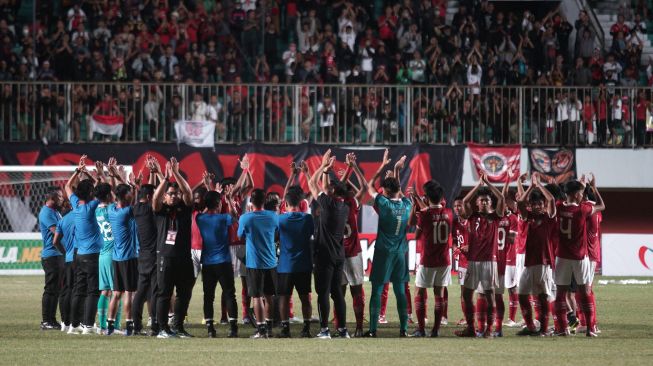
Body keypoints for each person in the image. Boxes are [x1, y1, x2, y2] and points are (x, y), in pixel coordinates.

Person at [364, 150, 412, 338]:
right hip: (400, 253)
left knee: (377, 290)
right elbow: (398, 192)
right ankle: (404, 330)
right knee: (400, 291)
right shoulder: (407, 204)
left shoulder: (384, 203)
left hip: (384, 252)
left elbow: (368, 185)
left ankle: (373, 330)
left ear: (384, 190)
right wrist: (397, 170)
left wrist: (384, 166)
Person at [553, 175, 605, 337]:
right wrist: (594, 188)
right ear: (576, 194)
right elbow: (601, 206)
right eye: (581, 192)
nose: (583, 195)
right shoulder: (583, 209)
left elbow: (559, 200)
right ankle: (590, 329)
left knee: (560, 293)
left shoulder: (559, 207)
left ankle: (562, 328)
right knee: (584, 292)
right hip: (579, 257)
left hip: (562, 256)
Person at [307, 149, 350, 339]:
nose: (328, 187)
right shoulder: (344, 207)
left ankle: (324, 330)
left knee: (323, 293)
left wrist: (323, 167)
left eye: (331, 187)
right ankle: (342, 330)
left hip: (325, 255)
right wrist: (326, 172)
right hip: (339, 255)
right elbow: (324, 188)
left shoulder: (328, 205)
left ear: (333, 191)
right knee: (337, 294)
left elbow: (311, 184)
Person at [455, 173, 505, 338]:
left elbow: (502, 200)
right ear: (477, 203)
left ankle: (489, 329)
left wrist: (489, 184)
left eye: (487, 201)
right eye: (481, 200)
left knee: (490, 296)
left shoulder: (495, 216)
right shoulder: (472, 216)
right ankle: (471, 327)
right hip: (473, 261)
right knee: (467, 295)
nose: (484, 202)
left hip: (489, 262)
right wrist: (478, 185)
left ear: (491, 203)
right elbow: (463, 202)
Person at [152, 157, 195, 338]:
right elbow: (155, 199)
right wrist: (165, 179)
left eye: (176, 194)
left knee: (184, 294)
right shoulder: (161, 210)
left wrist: (176, 173)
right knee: (164, 293)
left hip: (184, 257)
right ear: (165, 196)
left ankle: (178, 326)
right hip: (166, 257)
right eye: (171, 194)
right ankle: (162, 328)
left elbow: (188, 193)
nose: (175, 196)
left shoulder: (184, 208)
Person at [515, 173, 557, 336]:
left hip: (544, 262)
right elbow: (520, 202)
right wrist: (530, 187)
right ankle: (531, 326)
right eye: (535, 204)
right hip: (529, 262)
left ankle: (544, 329)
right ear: (531, 206)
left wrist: (538, 185)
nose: (538, 206)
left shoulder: (549, 217)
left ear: (543, 205)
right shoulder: (528, 216)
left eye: (540, 204)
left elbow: (552, 200)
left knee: (543, 296)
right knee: (522, 295)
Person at [66, 156, 103, 335]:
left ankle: (74, 325)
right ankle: (88, 325)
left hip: (79, 254)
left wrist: (78, 171)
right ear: (90, 193)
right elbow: (102, 187)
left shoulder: (76, 205)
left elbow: (67, 186)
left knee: (78, 290)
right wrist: (92, 174)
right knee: (93, 290)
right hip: (92, 255)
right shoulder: (91, 207)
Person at [196, 189, 239, 338]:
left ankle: (210, 329)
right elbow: (235, 217)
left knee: (208, 296)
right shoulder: (223, 218)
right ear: (219, 203)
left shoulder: (200, 218)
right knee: (229, 295)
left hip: (207, 264)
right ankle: (233, 329)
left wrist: (210, 198)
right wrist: (229, 201)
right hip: (223, 262)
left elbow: (205, 209)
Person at [413, 182, 453, 337]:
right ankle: (435, 330)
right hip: (444, 259)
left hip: (428, 259)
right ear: (441, 198)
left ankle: (421, 329)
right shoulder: (449, 213)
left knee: (419, 291)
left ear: (427, 197)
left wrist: (416, 199)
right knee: (439, 293)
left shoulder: (425, 214)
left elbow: (416, 236)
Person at [238, 188, 279, 339]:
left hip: (254, 263)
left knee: (256, 297)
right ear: (264, 201)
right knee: (269, 296)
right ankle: (268, 328)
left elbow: (241, 236)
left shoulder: (245, 218)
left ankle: (261, 330)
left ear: (251, 202)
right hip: (271, 262)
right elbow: (277, 232)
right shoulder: (274, 216)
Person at [276, 186, 314, 338]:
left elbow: (275, 237)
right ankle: (306, 328)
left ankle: (285, 329)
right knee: (305, 298)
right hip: (304, 264)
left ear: (285, 203)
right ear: (301, 202)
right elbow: (311, 234)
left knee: (284, 297)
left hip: (285, 265)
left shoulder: (280, 219)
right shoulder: (307, 218)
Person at [132, 155, 161, 335]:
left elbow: (148, 192)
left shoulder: (136, 209)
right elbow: (153, 195)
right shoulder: (152, 210)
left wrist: (151, 174)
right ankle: (156, 326)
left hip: (142, 256)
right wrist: (157, 173)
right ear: (151, 197)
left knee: (141, 293)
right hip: (154, 256)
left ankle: (136, 326)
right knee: (156, 292)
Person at [106, 184, 140, 336]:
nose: (132, 195)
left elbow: (117, 197)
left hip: (116, 257)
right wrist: (137, 189)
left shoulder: (111, 210)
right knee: (129, 293)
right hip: (128, 257)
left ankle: (110, 325)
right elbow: (139, 205)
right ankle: (129, 324)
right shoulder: (127, 212)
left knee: (116, 293)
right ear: (125, 196)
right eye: (130, 193)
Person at [340, 153, 367, 337]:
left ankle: (341, 328)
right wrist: (354, 167)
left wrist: (347, 172)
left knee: (339, 292)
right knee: (356, 291)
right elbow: (364, 187)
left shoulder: (332, 203)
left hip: (338, 254)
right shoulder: (352, 202)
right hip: (354, 253)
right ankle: (358, 327)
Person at [94, 180, 121, 335]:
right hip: (113, 255)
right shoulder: (112, 209)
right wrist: (114, 177)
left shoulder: (95, 210)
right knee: (117, 291)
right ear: (108, 195)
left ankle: (102, 325)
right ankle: (115, 326)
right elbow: (120, 199)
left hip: (102, 254)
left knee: (105, 291)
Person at [38, 186, 64, 330]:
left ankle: (52, 320)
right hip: (51, 256)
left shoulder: (54, 211)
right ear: (52, 198)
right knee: (50, 289)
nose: (62, 198)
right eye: (59, 197)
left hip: (57, 255)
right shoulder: (46, 213)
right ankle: (46, 320)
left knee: (56, 290)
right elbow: (57, 233)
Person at [53, 201, 76, 332]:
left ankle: (64, 322)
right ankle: (77, 321)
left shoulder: (63, 220)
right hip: (80, 257)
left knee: (66, 290)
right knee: (78, 291)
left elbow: (55, 241)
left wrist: (65, 252)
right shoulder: (82, 215)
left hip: (68, 259)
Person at [451, 196, 469, 326]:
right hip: (462, 262)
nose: (457, 208)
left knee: (482, 291)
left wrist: (470, 246)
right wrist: (455, 247)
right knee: (463, 292)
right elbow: (454, 240)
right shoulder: (454, 223)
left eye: (459, 205)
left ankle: (484, 317)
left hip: (475, 261)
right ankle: (466, 317)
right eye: (455, 206)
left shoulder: (472, 221)